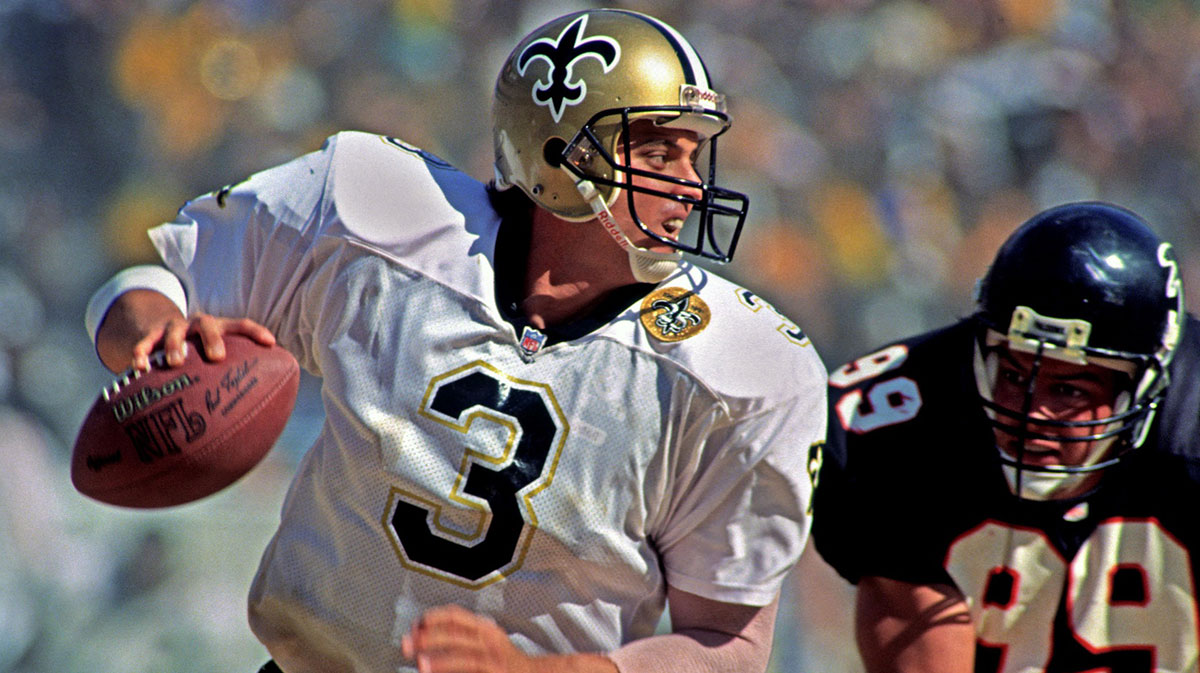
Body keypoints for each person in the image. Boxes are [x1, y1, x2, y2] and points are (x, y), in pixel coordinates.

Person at [83, 9, 827, 673]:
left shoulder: (744, 368)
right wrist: (159, 337)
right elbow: (146, 287)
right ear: (560, 155)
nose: (691, 186)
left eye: (695, 155)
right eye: (660, 155)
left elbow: (729, 644)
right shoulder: (375, 210)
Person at [811, 200, 1200, 673]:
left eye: (1068, 389)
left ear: (1146, 384)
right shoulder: (904, 426)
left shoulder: (1188, 434)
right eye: (1014, 376)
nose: (1033, 412)